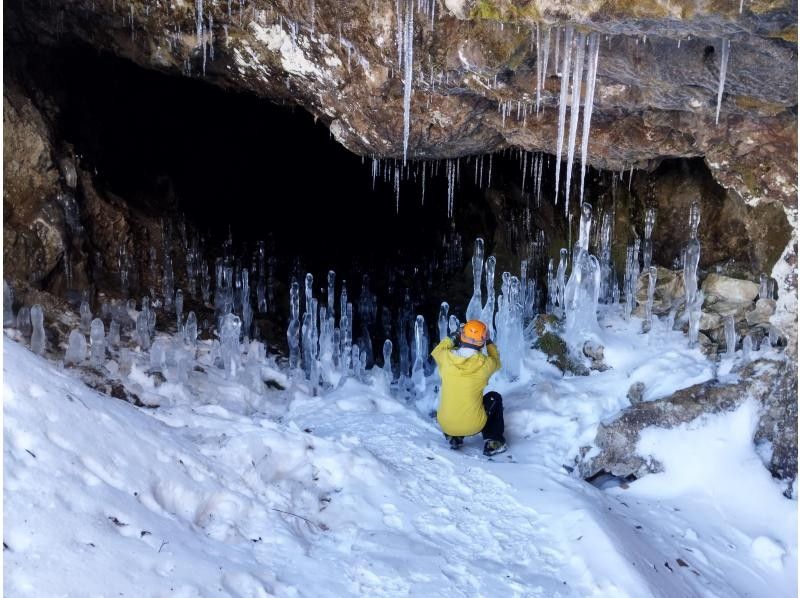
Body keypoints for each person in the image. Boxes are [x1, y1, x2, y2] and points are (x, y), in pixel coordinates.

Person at [431, 319, 507, 456]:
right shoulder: (485, 365)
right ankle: (494, 442)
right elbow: (496, 360)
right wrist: (489, 342)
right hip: (473, 425)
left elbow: (437, 350)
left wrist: (455, 335)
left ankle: (454, 436)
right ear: (482, 341)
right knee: (494, 397)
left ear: (461, 336)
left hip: (446, 424)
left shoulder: (445, 357)